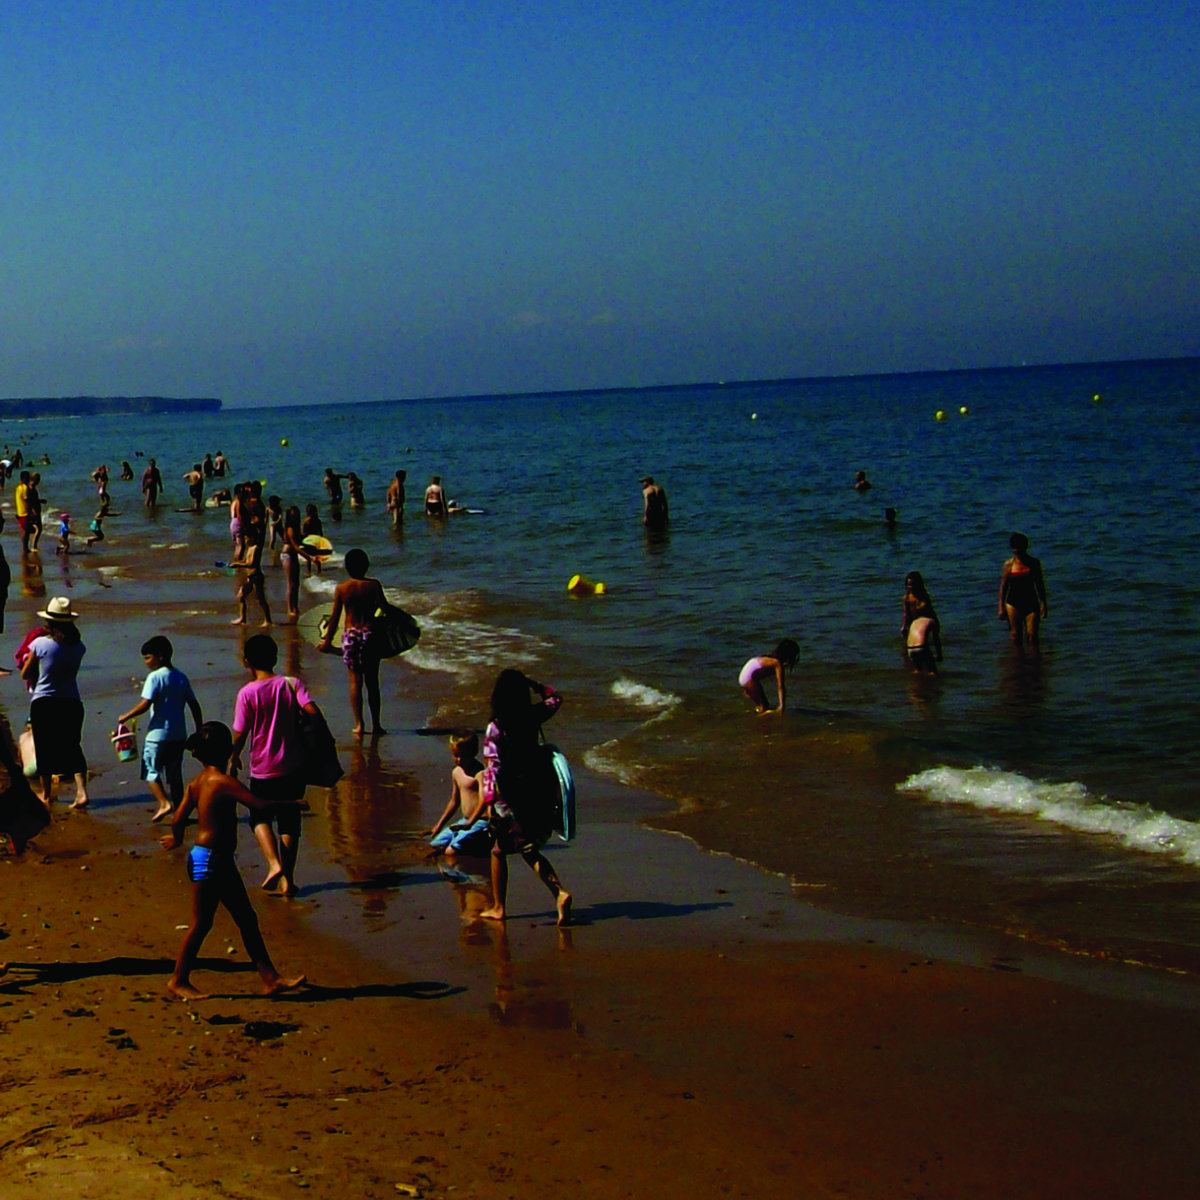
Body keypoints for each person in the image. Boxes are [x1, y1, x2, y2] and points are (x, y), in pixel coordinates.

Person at [161, 721, 306, 1001]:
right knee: (201, 923)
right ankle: (178, 980)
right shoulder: (223, 782)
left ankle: (270, 978)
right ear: (226, 751)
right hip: (211, 861)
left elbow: (177, 819)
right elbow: (259, 805)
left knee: (247, 919)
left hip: (211, 859)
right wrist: (292, 804)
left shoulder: (198, 782)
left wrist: (177, 840)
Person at [477, 670, 572, 926]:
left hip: (508, 794)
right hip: (534, 788)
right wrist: (537, 685)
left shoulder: (496, 726)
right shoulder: (533, 715)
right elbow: (557, 699)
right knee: (526, 846)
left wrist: (489, 803)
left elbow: (491, 769)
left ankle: (500, 907)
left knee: (499, 850)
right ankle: (558, 893)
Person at [230, 634, 319, 895]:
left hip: (263, 767)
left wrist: (234, 757)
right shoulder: (291, 684)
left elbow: (240, 732)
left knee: (258, 816)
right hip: (293, 766)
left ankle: (273, 863)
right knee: (290, 823)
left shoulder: (247, 693)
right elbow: (312, 712)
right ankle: (287, 881)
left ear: (246, 662)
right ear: (275, 657)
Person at [117, 635, 203, 822]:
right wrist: (199, 728)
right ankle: (180, 814)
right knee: (175, 776)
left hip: (157, 735)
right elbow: (194, 704)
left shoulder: (155, 677)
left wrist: (126, 715)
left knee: (151, 772)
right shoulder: (181, 677)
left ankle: (164, 802)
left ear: (160, 656)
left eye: (148, 658)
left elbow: (146, 703)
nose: (146, 662)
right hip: (178, 734)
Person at [20, 597, 89, 809]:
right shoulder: (79, 647)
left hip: (45, 701)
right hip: (71, 700)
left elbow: (25, 673)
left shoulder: (39, 644)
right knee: (73, 747)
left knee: (45, 749)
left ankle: (47, 794)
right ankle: (82, 792)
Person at [318, 548, 391, 736]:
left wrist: (327, 642)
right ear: (366, 565)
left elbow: (334, 618)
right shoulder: (374, 585)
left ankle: (359, 725)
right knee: (372, 682)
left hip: (351, 636)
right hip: (370, 634)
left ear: (346, 567)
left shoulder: (342, 588)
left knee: (355, 682)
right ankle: (377, 725)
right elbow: (385, 610)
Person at [428, 731, 489, 857]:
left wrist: (470, 823)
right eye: (456, 755)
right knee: (435, 844)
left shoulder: (480, 773)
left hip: (480, 821)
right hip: (465, 820)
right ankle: (465, 840)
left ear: (473, 753)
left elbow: (484, 800)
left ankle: (482, 843)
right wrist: (438, 825)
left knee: (450, 852)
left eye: (463, 756)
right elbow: (454, 801)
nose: (459, 759)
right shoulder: (456, 772)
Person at [998, 532, 1049, 649]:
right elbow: (1003, 587)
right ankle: (1017, 663)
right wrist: (1001, 607)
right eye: (1015, 549)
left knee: (1032, 636)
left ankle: (1034, 663)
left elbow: (1040, 584)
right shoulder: (1008, 565)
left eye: (1020, 549)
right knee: (1015, 636)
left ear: (1025, 547)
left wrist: (1044, 604)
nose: (1017, 552)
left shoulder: (1034, 563)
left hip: (1031, 602)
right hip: (1013, 603)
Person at [738, 638, 799, 713]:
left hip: (745, 676)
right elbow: (781, 686)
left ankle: (755, 714)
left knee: (762, 705)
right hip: (749, 678)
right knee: (764, 706)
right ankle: (758, 719)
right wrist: (782, 706)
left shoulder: (770, 659)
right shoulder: (777, 663)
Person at [901, 573, 943, 675]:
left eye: (912, 584)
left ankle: (920, 687)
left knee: (919, 669)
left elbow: (929, 611)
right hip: (916, 625)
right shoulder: (906, 598)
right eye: (908, 584)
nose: (909, 586)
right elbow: (906, 614)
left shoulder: (923, 597)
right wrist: (904, 626)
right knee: (930, 670)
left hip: (923, 623)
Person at [281, 504, 303, 621]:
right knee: (291, 584)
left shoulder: (296, 529)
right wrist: (308, 557)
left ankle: (295, 606)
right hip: (287, 555)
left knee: (297, 583)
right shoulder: (289, 529)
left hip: (293, 555)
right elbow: (294, 546)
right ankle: (290, 608)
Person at [13, 471, 32, 553]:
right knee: (26, 532)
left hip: (19, 511)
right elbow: (26, 500)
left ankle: (25, 547)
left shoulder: (18, 487)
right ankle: (25, 548)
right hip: (24, 512)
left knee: (24, 530)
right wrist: (30, 512)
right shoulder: (24, 487)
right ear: (25, 478)